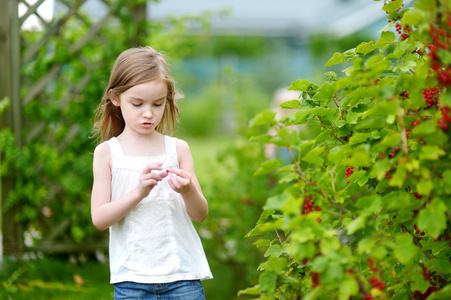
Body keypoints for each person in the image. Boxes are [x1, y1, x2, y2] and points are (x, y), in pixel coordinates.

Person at [90, 46, 213, 299]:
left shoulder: (178, 149)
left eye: (157, 104)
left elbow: (200, 214)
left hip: (183, 278)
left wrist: (188, 190)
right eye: (137, 103)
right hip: (131, 281)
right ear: (115, 98)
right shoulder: (107, 153)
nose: (148, 113)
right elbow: (100, 219)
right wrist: (138, 192)